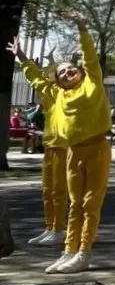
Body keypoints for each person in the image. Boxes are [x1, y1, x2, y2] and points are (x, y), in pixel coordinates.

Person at [12, 12, 112, 275]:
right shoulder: (57, 93)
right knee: (74, 203)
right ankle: (68, 250)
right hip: (73, 153)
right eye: (62, 72)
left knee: (90, 204)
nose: (68, 72)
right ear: (57, 81)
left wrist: (82, 27)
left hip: (97, 149)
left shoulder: (92, 83)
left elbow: (90, 58)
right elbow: (36, 78)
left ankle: (83, 252)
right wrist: (22, 57)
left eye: (71, 68)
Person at [24, 59, 67, 248]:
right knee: (47, 191)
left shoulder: (68, 93)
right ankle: (50, 228)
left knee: (59, 191)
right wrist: (24, 59)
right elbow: (36, 78)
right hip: (50, 146)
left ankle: (59, 229)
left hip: (64, 147)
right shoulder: (50, 94)